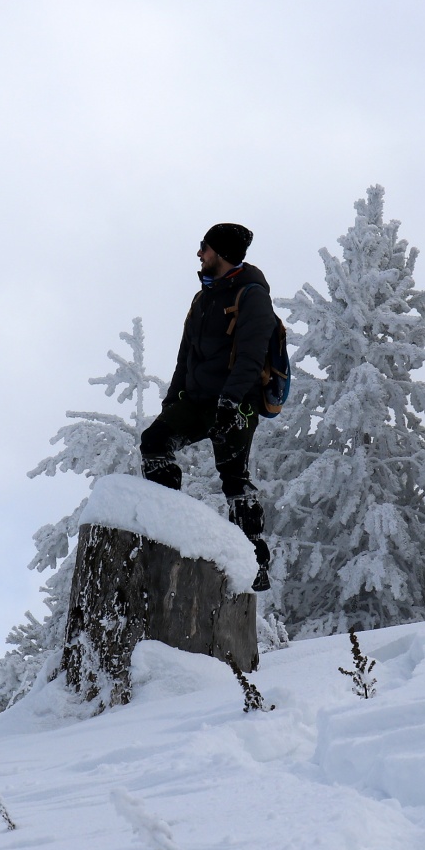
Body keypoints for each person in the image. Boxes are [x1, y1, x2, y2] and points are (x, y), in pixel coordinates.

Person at [141, 222, 274, 592]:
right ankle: (169, 523)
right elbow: (186, 356)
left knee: (234, 479)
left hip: (235, 404)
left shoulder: (252, 296)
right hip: (197, 401)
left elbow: (251, 356)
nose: (199, 253)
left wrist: (231, 403)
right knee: (155, 441)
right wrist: (172, 401)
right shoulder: (203, 299)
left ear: (222, 252)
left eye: (205, 247)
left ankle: (254, 564)